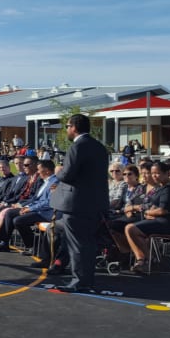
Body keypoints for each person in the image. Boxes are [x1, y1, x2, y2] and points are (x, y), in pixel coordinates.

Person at [50, 114, 109, 293]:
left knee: (77, 244)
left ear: (74, 127)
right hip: (95, 203)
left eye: (67, 126)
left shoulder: (77, 146)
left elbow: (68, 175)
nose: (67, 130)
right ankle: (86, 280)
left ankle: (79, 281)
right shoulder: (99, 147)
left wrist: (58, 171)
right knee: (87, 243)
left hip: (76, 204)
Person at [124, 161, 170, 273]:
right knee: (129, 227)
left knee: (130, 228)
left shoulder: (169, 189)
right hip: (159, 220)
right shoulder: (161, 187)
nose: (154, 176)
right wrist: (148, 212)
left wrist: (148, 212)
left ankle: (150, 259)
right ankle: (142, 260)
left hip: (169, 223)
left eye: (157, 173)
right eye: (153, 173)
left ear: (166, 173)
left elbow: (162, 210)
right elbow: (153, 206)